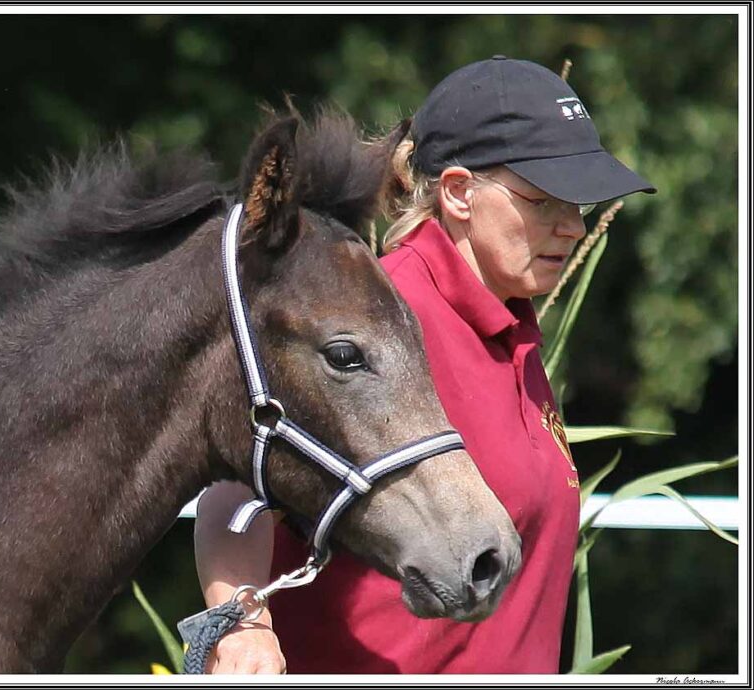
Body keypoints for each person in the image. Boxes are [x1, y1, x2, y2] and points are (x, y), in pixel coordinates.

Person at [193, 56, 656, 674]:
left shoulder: (510, 326)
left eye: (577, 204)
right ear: (460, 193)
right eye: (544, 201)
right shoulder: (384, 321)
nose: (572, 227)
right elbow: (234, 490)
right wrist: (242, 624)